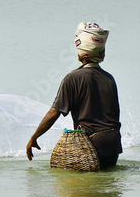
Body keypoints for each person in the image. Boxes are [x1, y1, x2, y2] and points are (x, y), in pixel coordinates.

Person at [26, 22, 122, 169]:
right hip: (113, 143)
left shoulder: (73, 78)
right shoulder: (109, 78)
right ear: (101, 53)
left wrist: (34, 137)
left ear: (83, 54)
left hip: (91, 143)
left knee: (82, 189)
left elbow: (54, 112)